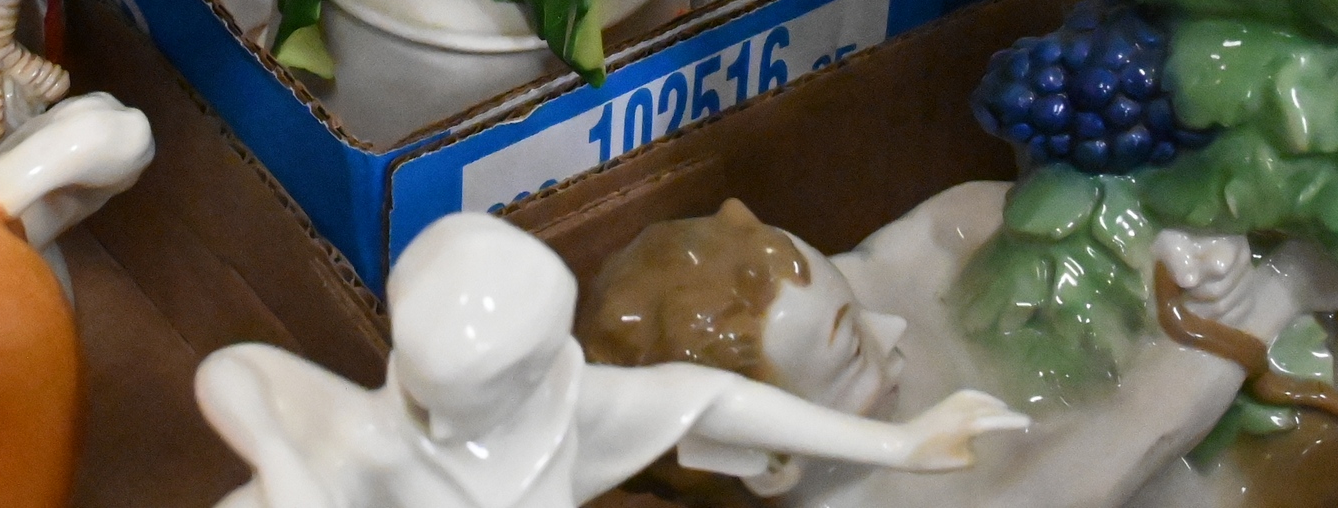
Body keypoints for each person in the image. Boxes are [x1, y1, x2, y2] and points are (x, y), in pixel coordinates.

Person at [195, 212, 1018, 508]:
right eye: (531, 365)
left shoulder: (559, 409)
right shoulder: (365, 444)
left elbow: (712, 401)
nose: (558, 368)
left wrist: (898, 444)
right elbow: (233, 374)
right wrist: (288, 470)